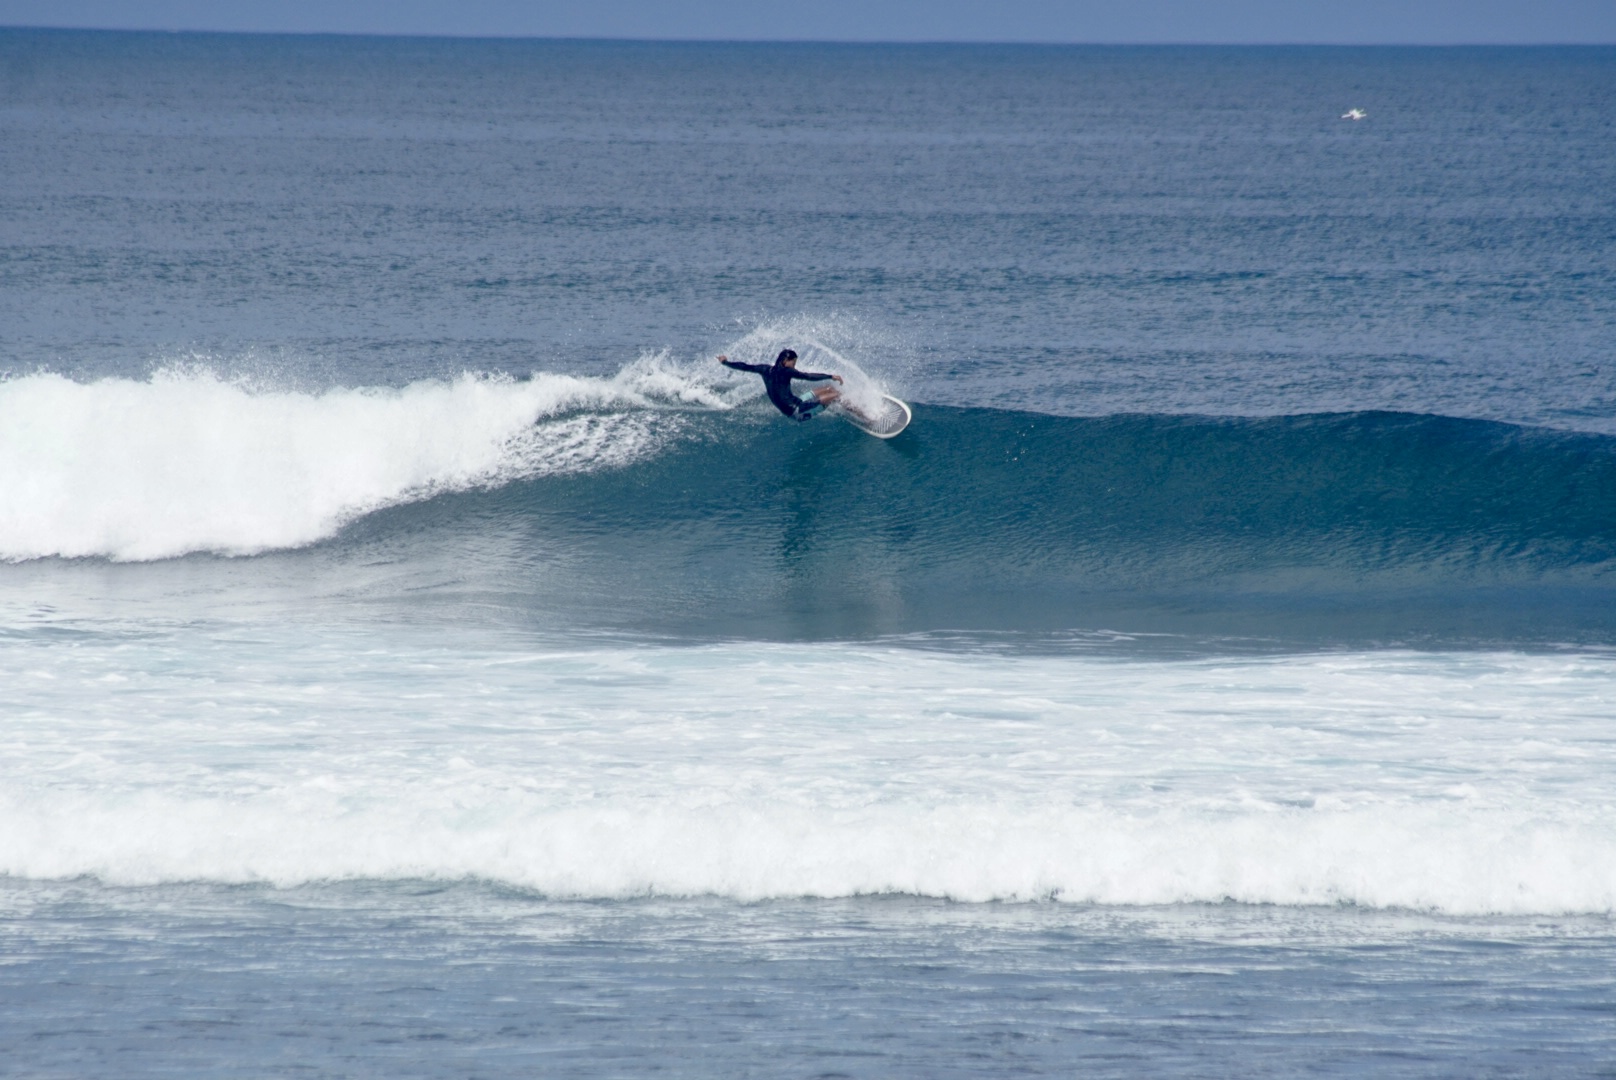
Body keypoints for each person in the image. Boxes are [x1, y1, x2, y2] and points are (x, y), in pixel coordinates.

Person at [718, 349, 843, 421]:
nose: (794, 365)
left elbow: (744, 366)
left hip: (798, 402)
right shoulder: (787, 371)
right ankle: (853, 406)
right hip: (797, 412)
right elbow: (807, 376)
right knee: (836, 396)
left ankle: (833, 395)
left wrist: (725, 362)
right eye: (793, 362)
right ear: (785, 361)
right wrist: (830, 376)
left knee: (828, 389)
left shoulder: (765, 369)